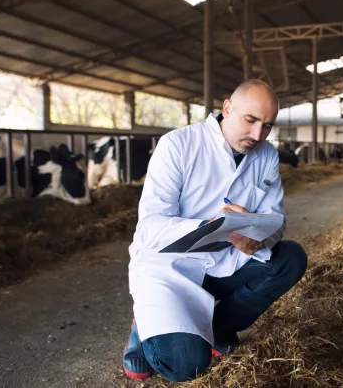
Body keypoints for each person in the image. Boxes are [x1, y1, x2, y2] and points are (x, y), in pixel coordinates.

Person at [122, 80, 308, 382]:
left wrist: (258, 237)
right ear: (227, 108)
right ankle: (144, 324)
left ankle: (218, 328)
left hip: (226, 260)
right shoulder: (178, 145)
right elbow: (151, 225)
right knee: (185, 366)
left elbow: (277, 219)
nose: (257, 135)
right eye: (250, 120)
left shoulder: (267, 155)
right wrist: (206, 226)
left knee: (291, 258)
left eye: (267, 126)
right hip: (171, 266)